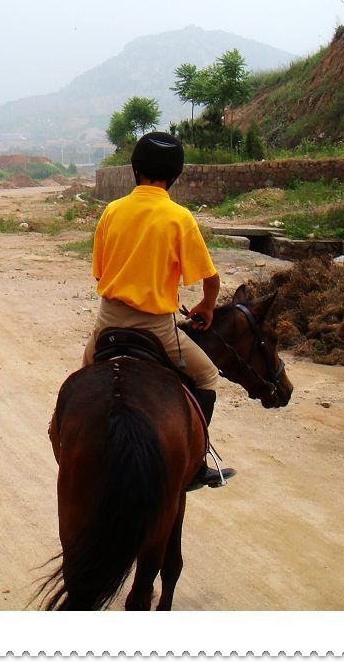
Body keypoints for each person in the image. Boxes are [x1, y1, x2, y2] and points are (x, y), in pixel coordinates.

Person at [81, 132, 234, 491]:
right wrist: (206, 307)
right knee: (208, 376)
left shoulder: (111, 211)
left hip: (108, 323)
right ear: (175, 175)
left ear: (135, 169)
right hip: (158, 330)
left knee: (80, 381)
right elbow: (210, 282)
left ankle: (59, 432)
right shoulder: (179, 218)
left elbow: (101, 274)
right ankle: (195, 465)